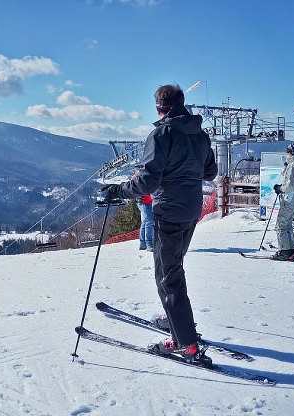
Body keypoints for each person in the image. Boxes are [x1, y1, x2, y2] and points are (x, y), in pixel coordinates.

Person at [100, 84, 218, 363]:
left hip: (169, 210)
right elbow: (210, 172)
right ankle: (174, 318)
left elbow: (148, 181)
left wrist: (118, 190)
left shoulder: (162, 134)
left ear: (159, 108)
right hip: (191, 210)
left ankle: (185, 343)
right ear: (182, 103)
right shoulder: (200, 135)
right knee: (174, 266)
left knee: (167, 274)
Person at [272, 142, 294, 261]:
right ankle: (290, 249)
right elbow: (289, 179)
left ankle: (284, 251)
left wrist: (280, 188)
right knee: (287, 224)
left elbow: (290, 184)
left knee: (281, 224)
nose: (288, 153)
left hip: (289, 198)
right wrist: (286, 166)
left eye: (289, 152)